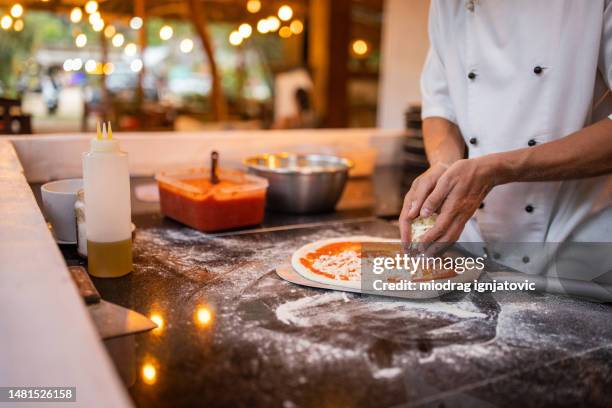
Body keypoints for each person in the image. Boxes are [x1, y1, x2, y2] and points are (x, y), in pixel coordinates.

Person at [399, 0, 612, 279]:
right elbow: (441, 105)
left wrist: (497, 169)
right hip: (474, 244)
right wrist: (443, 166)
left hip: (576, 242)